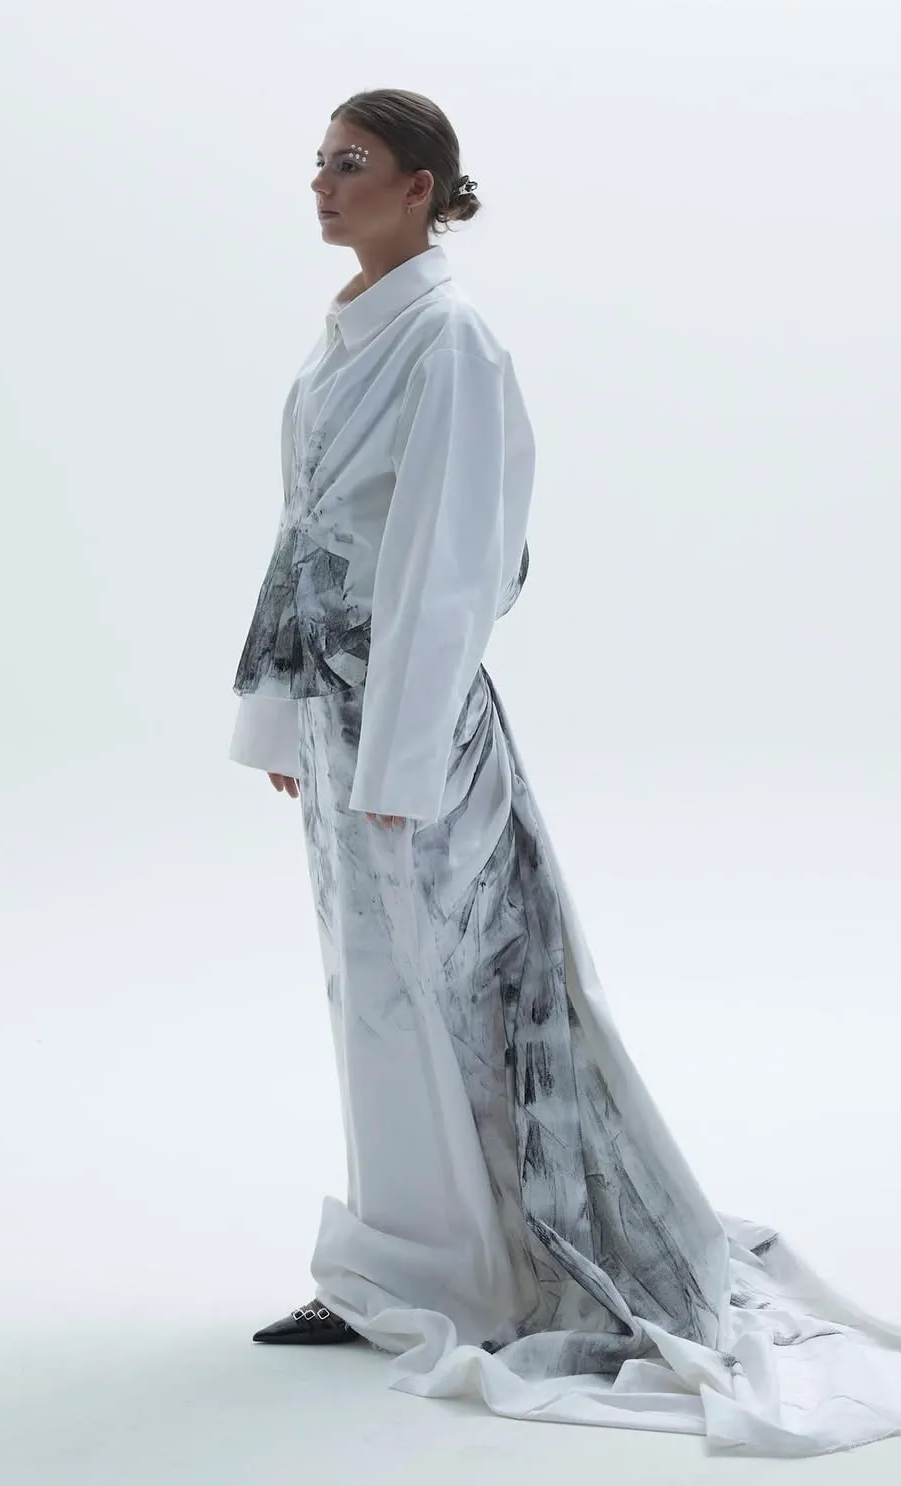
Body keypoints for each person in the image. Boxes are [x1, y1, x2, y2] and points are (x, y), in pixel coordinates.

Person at [227, 88, 901, 1455]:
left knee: (459, 997)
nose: (323, 183)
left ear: (421, 187)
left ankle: (486, 1272)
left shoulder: (451, 341)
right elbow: (309, 531)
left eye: (352, 163)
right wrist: (286, 717)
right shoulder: (351, 330)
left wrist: (401, 753)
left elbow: (454, 560)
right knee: (374, 999)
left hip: (412, 728)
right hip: (344, 715)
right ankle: (400, 1267)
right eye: (318, 162)